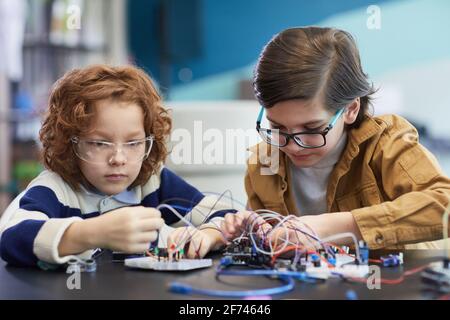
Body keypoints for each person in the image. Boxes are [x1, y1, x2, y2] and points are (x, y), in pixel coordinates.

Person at [222, 26, 450, 251]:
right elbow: (264, 236)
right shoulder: (264, 161)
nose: (292, 146)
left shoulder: (386, 143)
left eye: (312, 128)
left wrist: (341, 226)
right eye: (277, 127)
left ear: (350, 109)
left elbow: (445, 205)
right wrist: (236, 230)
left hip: (396, 285)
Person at [0, 65, 235, 267]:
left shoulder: (153, 182)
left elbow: (227, 215)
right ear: (69, 142)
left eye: (133, 143)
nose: (118, 158)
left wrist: (208, 235)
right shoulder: (56, 189)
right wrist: (92, 233)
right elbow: (11, 238)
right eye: (99, 143)